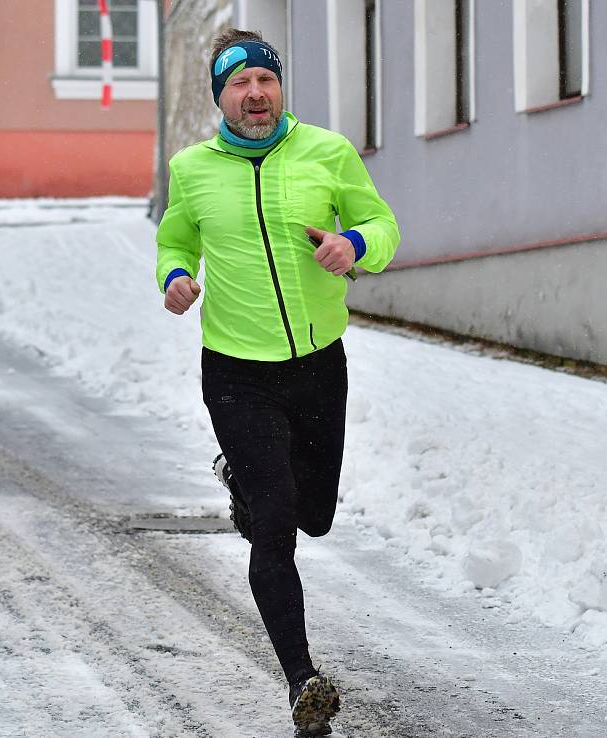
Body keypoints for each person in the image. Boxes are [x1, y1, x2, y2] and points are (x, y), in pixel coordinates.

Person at [156, 27, 399, 737]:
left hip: (319, 363)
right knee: (275, 524)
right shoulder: (193, 169)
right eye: (240, 83)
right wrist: (174, 276)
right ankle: (303, 682)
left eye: (266, 80)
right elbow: (175, 237)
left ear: (279, 88)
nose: (255, 94)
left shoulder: (328, 153)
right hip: (235, 370)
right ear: (221, 98)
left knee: (313, 512)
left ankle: (248, 482)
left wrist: (354, 245)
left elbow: (381, 225)